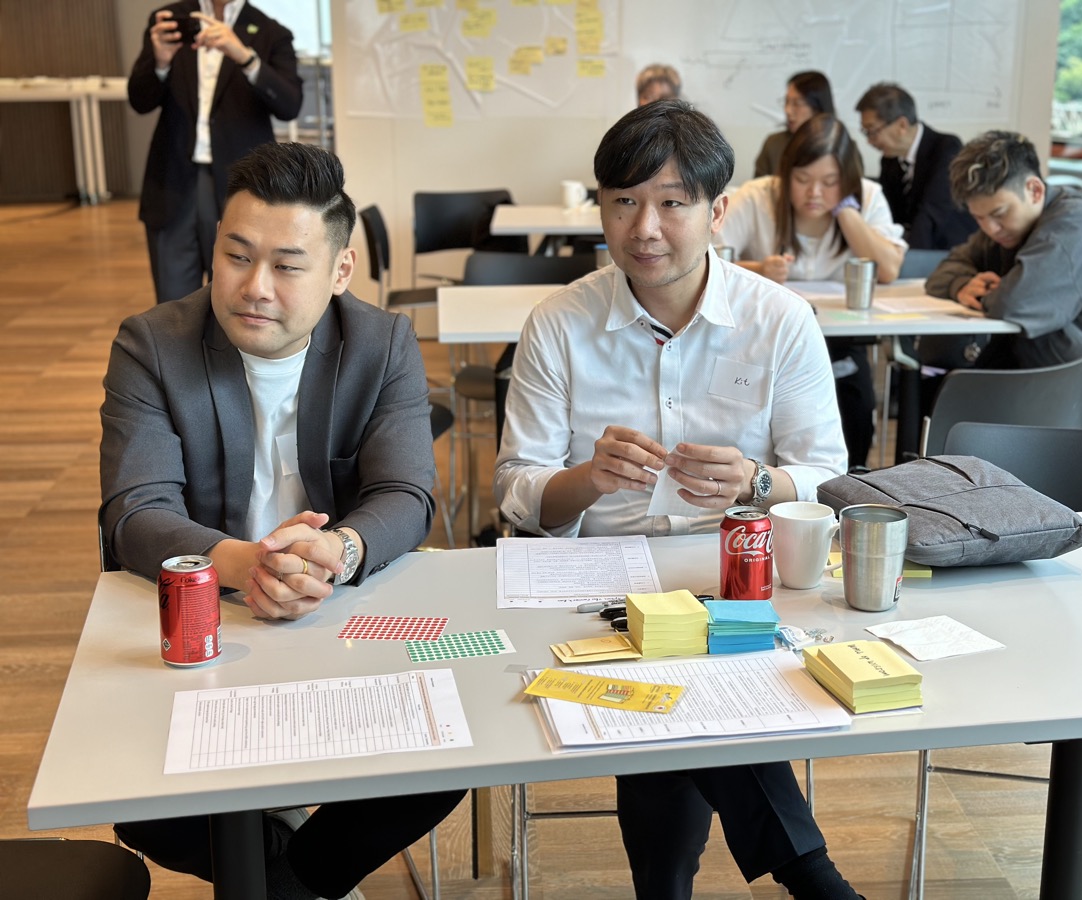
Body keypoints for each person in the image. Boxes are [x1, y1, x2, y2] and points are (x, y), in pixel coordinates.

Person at [494, 100, 860, 900]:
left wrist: (757, 482)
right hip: (595, 588)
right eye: (623, 202)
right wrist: (587, 481)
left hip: (740, 574)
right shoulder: (559, 324)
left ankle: (670, 883)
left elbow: (826, 475)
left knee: (696, 669)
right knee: (691, 673)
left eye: (671, 203)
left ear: (718, 211)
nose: (645, 228)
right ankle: (811, 879)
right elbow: (519, 492)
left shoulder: (779, 322)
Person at [100, 142, 463, 899]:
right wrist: (248, 563)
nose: (254, 287)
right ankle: (301, 871)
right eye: (236, 256)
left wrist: (335, 549)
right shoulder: (152, 344)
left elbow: (405, 493)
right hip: (207, 628)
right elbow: (136, 512)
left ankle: (284, 874)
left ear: (339, 271)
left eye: (288, 266)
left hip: (340, 616)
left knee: (445, 758)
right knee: (143, 812)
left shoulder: (382, 341)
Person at [925, 130, 1082, 429]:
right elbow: (944, 271)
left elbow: (1013, 302)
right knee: (944, 393)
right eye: (979, 219)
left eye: (999, 213)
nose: (991, 229)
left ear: (1034, 190)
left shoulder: (1072, 223)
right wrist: (962, 286)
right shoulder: (1009, 230)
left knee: (965, 417)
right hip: (1052, 379)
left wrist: (991, 293)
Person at [718, 113, 908, 467]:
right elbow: (705, 259)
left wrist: (848, 214)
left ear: (848, 179)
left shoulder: (867, 197)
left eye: (830, 181)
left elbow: (889, 268)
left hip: (842, 345)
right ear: (787, 172)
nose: (814, 193)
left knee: (853, 414)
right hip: (762, 340)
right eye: (802, 179)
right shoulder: (759, 196)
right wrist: (758, 270)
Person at [129, 0, 303, 304]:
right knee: (173, 305)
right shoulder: (170, 20)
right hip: (172, 182)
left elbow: (289, 105)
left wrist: (246, 58)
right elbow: (140, 101)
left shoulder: (271, 33)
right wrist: (159, 64)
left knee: (235, 294)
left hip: (243, 184)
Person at [854, 82, 977, 251]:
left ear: (902, 125)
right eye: (866, 133)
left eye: (872, 131)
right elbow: (889, 217)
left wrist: (908, 260)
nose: (869, 141)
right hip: (915, 248)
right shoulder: (890, 160)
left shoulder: (946, 148)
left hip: (949, 250)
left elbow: (931, 214)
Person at [753, 71, 835, 178]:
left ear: (817, 108)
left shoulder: (841, 146)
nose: (788, 110)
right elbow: (756, 191)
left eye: (797, 103)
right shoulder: (773, 144)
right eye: (786, 101)